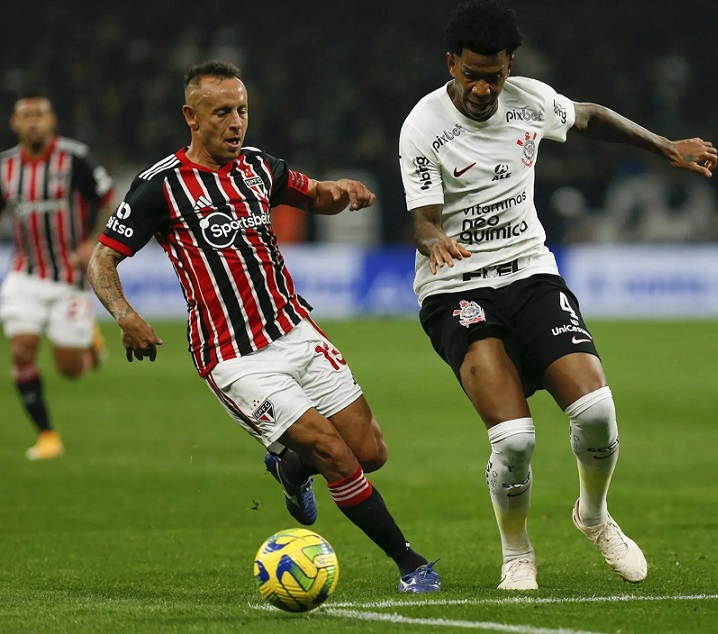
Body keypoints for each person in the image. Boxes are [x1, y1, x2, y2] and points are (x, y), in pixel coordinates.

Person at [86, 60, 440, 593]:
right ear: (191, 116)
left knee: (370, 452)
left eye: (242, 111)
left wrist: (340, 190)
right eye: (222, 112)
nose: (236, 123)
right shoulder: (159, 186)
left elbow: (310, 192)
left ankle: (291, 470)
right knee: (335, 454)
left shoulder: (258, 167)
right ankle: (410, 562)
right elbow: (102, 261)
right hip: (234, 358)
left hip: (294, 330)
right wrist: (125, 314)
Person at [398, 0, 717, 590]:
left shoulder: (529, 99)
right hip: (457, 287)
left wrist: (666, 146)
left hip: (530, 273)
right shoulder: (423, 126)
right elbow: (421, 222)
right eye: (471, 74)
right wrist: (435, 239)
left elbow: (591, 117)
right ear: (451, 65)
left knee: (596, 412)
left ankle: (592, 515)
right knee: (515, 439)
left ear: (508, 66)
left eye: (493, 75)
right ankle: (517, 552)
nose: (482, 88)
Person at [0, 91, 114, 460]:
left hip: (69, 276)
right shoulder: (5, 167)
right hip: (25, 274)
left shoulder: (75, 158)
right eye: (26, 114)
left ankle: (90, 345)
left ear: (52, 121)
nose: (33, 120)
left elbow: (107, 198)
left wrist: (93, 243)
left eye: (41, 114)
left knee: (70, 370)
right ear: (15, 123)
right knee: (21, 350)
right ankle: (47, 434)